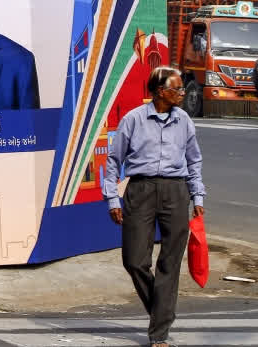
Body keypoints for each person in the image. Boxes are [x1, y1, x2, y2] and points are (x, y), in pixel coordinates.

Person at [103, 66, 205, 347]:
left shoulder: (184, 120)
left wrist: (198, 196)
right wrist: (113, 198)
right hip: (141, 189)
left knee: (169, 263)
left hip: (175, 191)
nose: (183, 94)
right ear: (161, 92)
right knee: (134, 261)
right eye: (177, 89)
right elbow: (113, 161)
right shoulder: (133, 120)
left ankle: (159, 332)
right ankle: (161, 312)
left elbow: (194, 160)